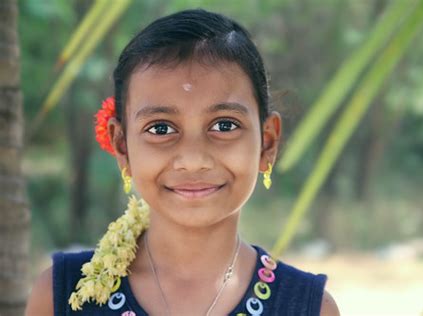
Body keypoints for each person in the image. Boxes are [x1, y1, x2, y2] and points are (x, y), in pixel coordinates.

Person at [26, 9, 340, 316]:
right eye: (160, 129)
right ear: (122, 145)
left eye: (224, 125)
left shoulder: (309, 308)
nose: (193, 160)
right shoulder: (62, 297)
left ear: (267, 142)